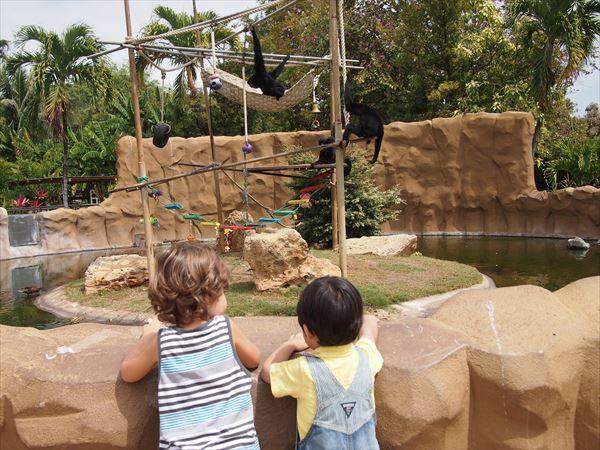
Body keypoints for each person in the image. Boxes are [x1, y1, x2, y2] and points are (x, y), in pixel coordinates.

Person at [120, 242, 261, 450]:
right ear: (207, 295)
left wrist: (148, 334)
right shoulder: (226, 328)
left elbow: (128, 373)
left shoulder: (161, 341)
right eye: (221, 289)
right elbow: (254, 359)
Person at [261, 276, 383, 450]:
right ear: (356, 324)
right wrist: (368, 318)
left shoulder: (305, 370)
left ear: (306, 331)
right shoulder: (366, 357)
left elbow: (267, 372)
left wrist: (290, 344)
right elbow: (369, 333)